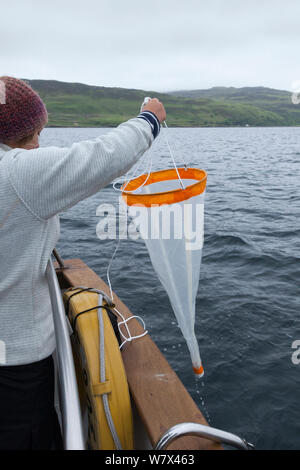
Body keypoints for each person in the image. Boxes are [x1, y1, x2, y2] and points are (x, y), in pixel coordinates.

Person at [0, 76, 166, 450]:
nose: (37, 144)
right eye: (32, 134)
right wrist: (148, 120)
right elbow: (103, 155)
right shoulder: (15, 171)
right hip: (14, 369)